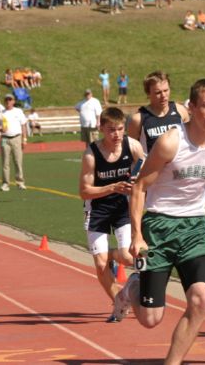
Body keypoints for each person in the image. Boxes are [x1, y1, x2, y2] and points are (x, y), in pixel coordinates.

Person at [113, 79, 205, 365]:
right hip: (159, 226)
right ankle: (132, 288)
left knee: (201, 298)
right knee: (151, 319)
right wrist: (137, 235)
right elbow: (140, 187)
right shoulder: (171, 142)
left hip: (194, 228)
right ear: (190, 107)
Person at [79, 107, 144, 320]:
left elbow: (147, 167)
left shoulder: (132, 146)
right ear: (101, 129)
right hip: (97, 209)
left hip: (122, 208)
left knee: (127, 257)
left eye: (120, 129)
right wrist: (112, 187)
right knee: (100, 264)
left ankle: (112, 256)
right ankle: (119, 300)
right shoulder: (91, 154)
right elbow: (83, 191)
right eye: (111, 130)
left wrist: (138, 178)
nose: (116, 135)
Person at [127, 71, 190, 153]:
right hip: (152, 165)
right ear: (148, 94)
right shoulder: (138, 119)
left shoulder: (181, 111)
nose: (163, 96)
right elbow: (131, 152)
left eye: (166, 90)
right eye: (158, 92)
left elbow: (190, 142)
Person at [0, 93, 28, 191]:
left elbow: (23, 125)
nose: (8, 101)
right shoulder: (1, 113)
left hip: (16, 138)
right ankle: (5, 184)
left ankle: (20, 182)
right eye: (6, 100)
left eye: (10, 100)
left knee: (18, 161)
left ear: (13, 101)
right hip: (5, 139)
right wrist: (0, 129)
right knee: (5, 162)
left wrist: (24, 139)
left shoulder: (18, 112)